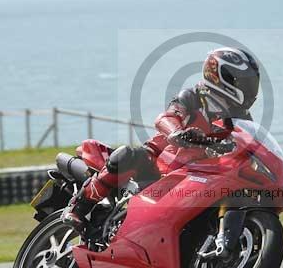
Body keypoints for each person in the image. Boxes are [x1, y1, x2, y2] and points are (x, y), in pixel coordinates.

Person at [62, 47, 260, 230]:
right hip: (157, 167)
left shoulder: (242, 119)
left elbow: (252, 148)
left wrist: (278, 165)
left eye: (252, 83)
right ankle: (78, 207)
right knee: (129, 154)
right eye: (244, 83)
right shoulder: (194, 96)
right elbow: (167, 116)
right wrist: (175, 132)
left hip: (199, 177)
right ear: (221, 76)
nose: (251, 89)